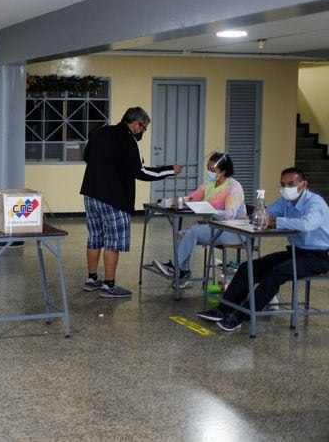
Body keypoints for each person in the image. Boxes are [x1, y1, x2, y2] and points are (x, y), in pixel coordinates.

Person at [197, 167, 329, 332]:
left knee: (275, 274)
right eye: (283, 184)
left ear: (303, 185)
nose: (286, 188)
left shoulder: (315, 203)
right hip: (296, 252)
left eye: (291, 184)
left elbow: (306, 224)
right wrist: (252, 218)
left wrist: (277, 222)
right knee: (248, 267)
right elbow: (265, 214)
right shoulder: (285, 201)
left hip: (319, 256)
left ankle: (241, 316)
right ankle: (223, 309)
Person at [80, 106, 182, 298]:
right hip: (114, 199)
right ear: (136, 124)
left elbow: (87, 157)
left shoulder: (100, 132)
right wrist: (169, 170)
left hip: (90, 194)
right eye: (143, 128)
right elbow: (140, 172)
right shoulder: (128, 140)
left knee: (94, 237)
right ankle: (109, 286)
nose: (142, 132)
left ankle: (92, 279)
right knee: (113, 242)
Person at [152, 152, 246, 287]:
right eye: (208, 169)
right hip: (216, 227)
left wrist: (209, 209)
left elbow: (229, 215)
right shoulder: (210, 184)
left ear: (224, 171)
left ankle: (174, 266)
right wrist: (178, 201)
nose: (209, 172)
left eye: (213, 170)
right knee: (181, 234)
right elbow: (193, 197)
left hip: (234, 231)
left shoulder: (234, 187)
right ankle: (184, 272)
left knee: (194, 230)